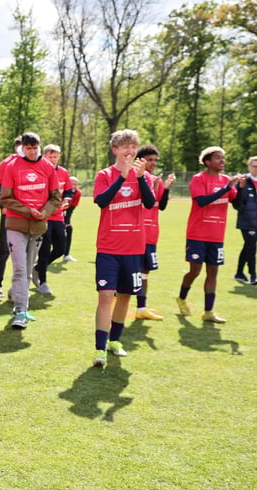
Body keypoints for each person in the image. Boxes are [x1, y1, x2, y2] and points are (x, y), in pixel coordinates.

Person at [91, 130, 156, 367]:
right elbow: (101, 201)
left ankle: (115, 341)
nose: (130, 151)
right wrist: (122, 177)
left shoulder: (145, 177)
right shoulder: (105, 174)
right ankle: (100, 348)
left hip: (133, 248)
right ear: (115, 150)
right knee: (106, 295)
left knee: (126, 295)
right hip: (108, 246)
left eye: (133, 146)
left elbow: (149, 204)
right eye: (125, 147)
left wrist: (138, 178)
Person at [0, 132, 62, 329]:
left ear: (39, 147)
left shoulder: (48, 167)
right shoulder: (12, 166)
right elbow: (5, 198)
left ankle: (18, 297)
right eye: (28, 148)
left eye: (35, 148)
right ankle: (21, 310)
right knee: (19, 268)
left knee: (27, 267)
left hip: (38, 226)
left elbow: (56, 197)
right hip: (16, 223)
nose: (32, 152)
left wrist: (44, 213)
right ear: (22, 148)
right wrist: (27, 210)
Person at [177, 146, 243, 323]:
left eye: (223, 158)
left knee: (213, 272)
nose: (222, 161)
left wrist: (240, 189)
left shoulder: (226, 179)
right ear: (207, 162)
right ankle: (182, 297)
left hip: (216, 235)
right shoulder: (199, 179)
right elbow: (202, 202)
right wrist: (227, 188)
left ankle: (208, 312)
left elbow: (237, 204)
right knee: (195, 271)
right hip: (197, 234)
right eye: (217, 158)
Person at [133, 144, 175, 320]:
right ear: (140, 160)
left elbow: (161, 205)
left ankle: (141, 309)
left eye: (155, 160)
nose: (153, 163)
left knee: (144, 271)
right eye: (149, 160)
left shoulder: (155, 180)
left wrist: (165, 188)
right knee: (129, 270)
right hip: (134, 234)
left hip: (151, 234)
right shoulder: (136, 178)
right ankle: (115, 302)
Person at [32, 144, 74, 295]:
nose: (53, 160)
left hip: (58, 216)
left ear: (59, 157)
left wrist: (67, 199)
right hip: (44, 215)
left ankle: (37, 268)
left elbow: (69, 190)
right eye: (50, 157)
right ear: (44, 157)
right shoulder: (39, 171)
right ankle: (42, 282)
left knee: (60, 248)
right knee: (44, 248)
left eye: (55, 157)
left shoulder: (63, 172)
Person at [0, 136, 23, 300]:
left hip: (29, 215)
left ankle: (18, 288)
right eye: (21, 146)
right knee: (4, 248)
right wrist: (1, 205)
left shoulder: (36, 164)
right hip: (9, 213)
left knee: (26, 251)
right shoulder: (7, 163)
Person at [233, 156, 257, 285]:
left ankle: (239, 273)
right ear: (249, 167)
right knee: (252, 247)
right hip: (247, 221)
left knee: (248, 247)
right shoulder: (244, 181)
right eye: (254, 166)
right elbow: (238, 200)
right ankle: (253, 275)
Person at [62, 176, 82, 262]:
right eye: (72, 184)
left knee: (69, 230)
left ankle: (66, 255)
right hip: (54, 214)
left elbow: (71, 209)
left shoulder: (78, 193)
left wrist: (66, 222)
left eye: (75, 184)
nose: (73, 186)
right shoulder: (61, 190)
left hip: (65, 213)